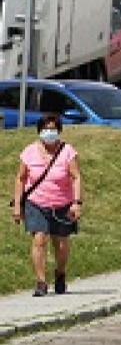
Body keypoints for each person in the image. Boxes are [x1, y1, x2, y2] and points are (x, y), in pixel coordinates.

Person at [10, 114, 82, 296]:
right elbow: (20, 178)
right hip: (36, 202)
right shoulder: (29, 152)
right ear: (39, 131)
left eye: (53, 129)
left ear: (59, 131)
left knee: (61, 243)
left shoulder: (67, 151)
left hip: (62, 204)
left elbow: (76, 177)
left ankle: (60, 273)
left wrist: (76, 202)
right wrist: (18, 205)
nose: (49, 132)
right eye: (45, 129)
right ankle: (41, 282)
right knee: (39, 239)